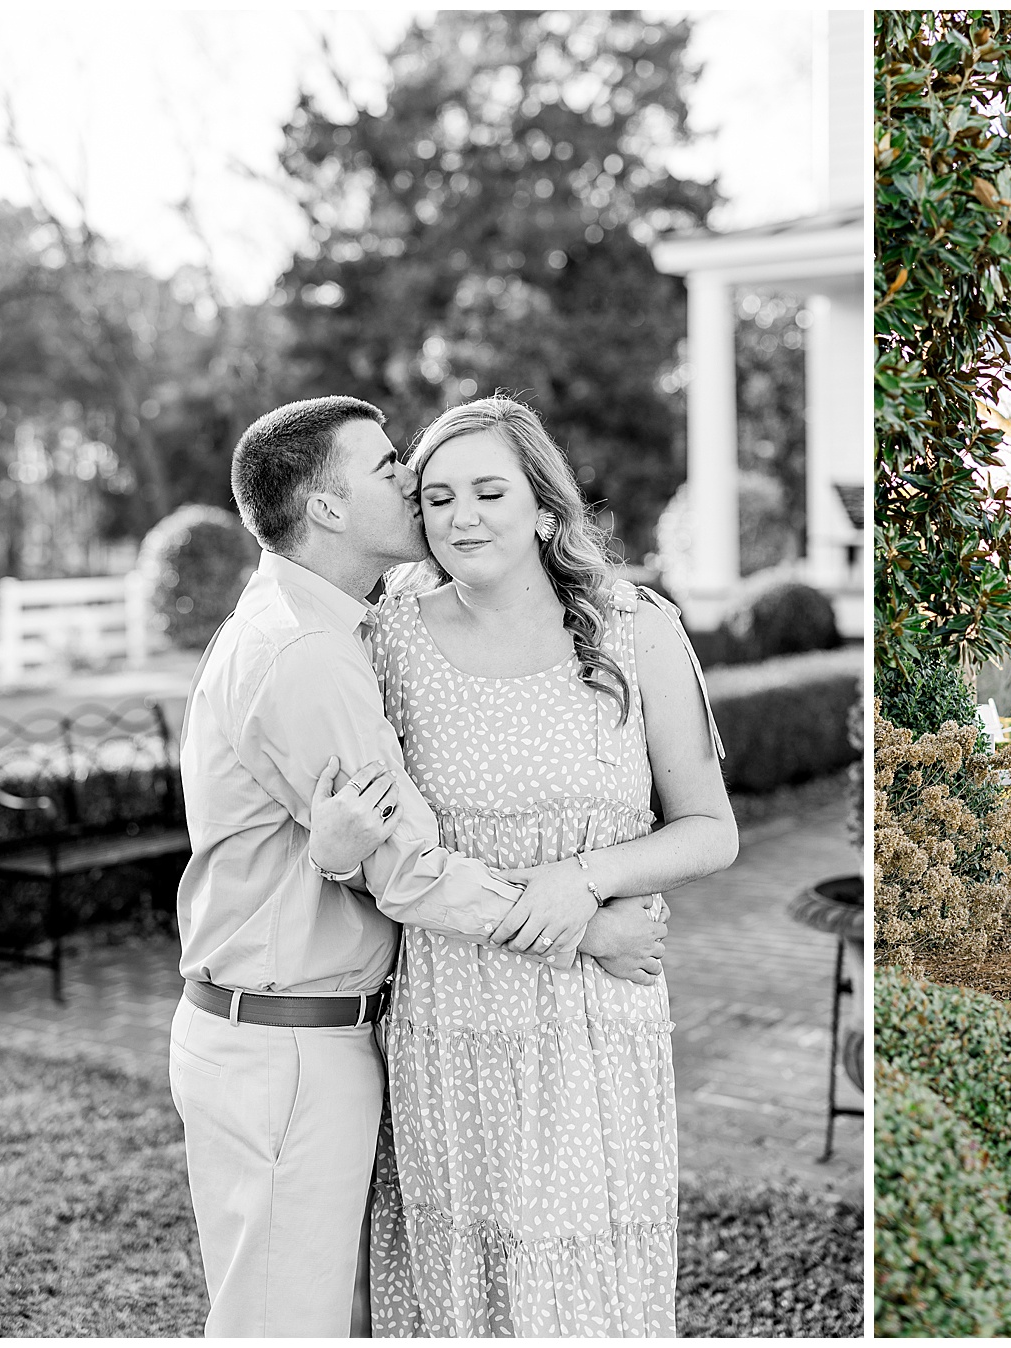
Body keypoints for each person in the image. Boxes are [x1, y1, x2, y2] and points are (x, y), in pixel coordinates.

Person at [171, 395, 664, 1337]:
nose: (411, 481)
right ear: (326, 506)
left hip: (289, 1034)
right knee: (284, 1325)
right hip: (286, 1047)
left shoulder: (325, 622)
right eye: (387, 465)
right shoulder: (309, 652)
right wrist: (589, 927)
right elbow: (407, 870)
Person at [321, 394, 736, 1336]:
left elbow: (711, 830)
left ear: (545, 509)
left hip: (597, 1024)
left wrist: (585, 880)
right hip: (449, 1017)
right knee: (464, 1280)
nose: (461, 517)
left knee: (581, 1283)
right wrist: (583, 927)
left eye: (489, 492)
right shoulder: (388, 642)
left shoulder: (636, 629)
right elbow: (387, 855)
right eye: (437, 498)